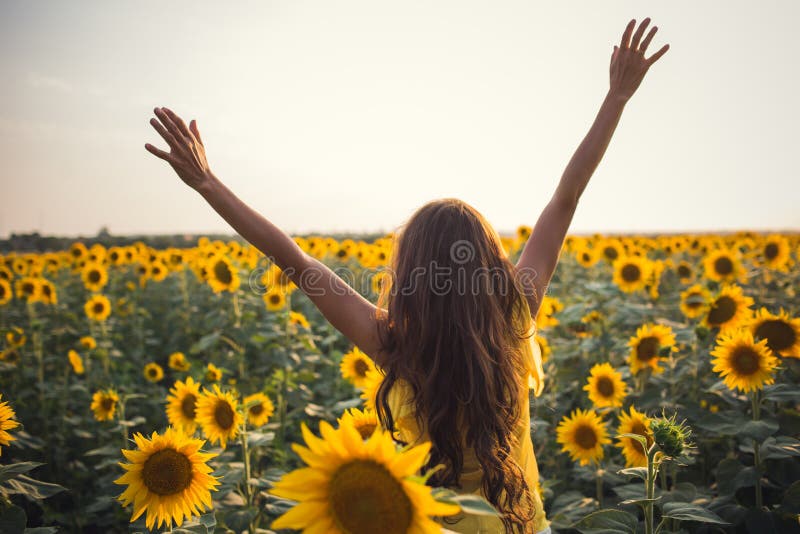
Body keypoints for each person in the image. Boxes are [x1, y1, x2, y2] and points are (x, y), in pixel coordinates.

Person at [145, 16, 668, 534]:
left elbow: (297, 263)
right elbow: (565, 198)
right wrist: (616, 98)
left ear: (410, 276)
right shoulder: (514, 321)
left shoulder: (395, 345)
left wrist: (208, 184)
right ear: (488, 266)